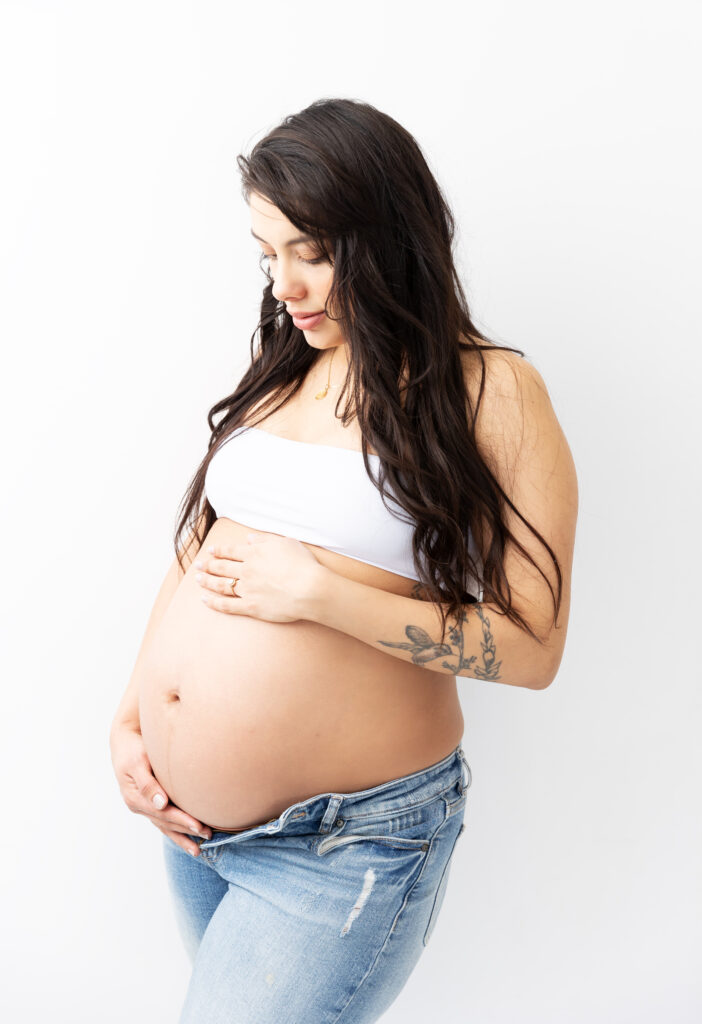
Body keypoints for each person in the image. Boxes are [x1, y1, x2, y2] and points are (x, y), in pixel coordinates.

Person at [109, 97, 578, 1022]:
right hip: (197, 836)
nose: (284, 284)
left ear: (388, 235)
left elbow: (531, 651)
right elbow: (206, 541)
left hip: (345, 845)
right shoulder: (290, 362)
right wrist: (132, 716)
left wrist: (321, 596)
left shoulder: (491, 390)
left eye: (312, 253)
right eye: (267, 253)